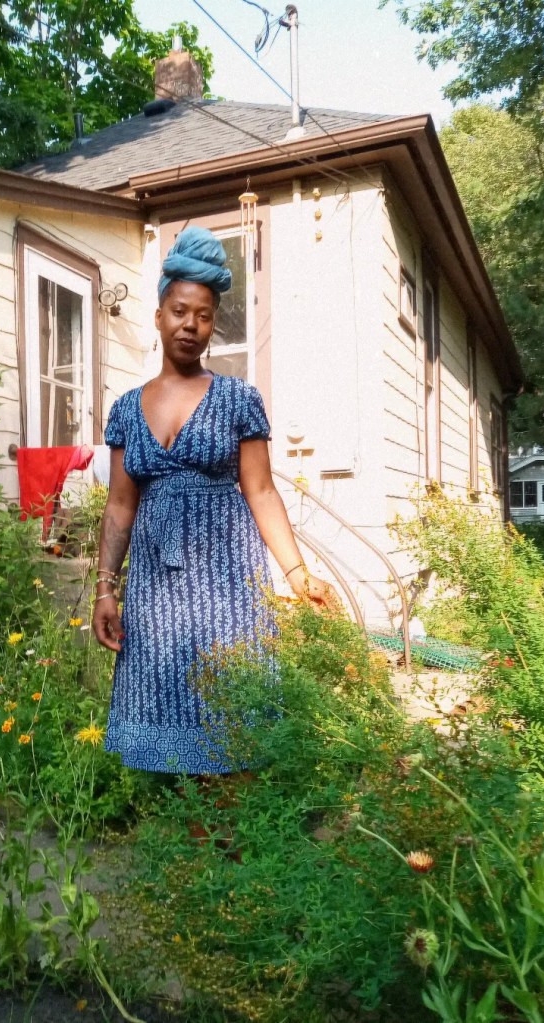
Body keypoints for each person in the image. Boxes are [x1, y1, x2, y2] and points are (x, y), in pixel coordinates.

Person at [92, 226, 339, 774]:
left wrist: (298, 575)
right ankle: (192, 841)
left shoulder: (237, 399)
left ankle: (239, 842)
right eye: (180, 310)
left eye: (203, 315)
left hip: (227, 584)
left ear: (213, 326)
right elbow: (119, 506)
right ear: (158, 315)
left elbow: (261, 489)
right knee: (164, 701)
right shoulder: (127, 410)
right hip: (156, 587)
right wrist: (106, 589)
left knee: (234, 701)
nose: (190, 324)